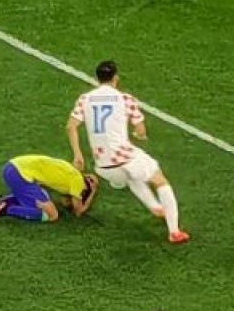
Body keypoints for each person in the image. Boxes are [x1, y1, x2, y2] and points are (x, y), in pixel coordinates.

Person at [67, 61, 189, 244]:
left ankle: (155, 207)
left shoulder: (85, 99)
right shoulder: (124, 99)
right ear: (116, 78)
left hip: (103, 164)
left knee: (132, 177)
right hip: (123, 156)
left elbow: (71, 126)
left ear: (97, 78)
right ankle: (175, 231)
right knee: (160, 180)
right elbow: (140, 130)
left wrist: (78, 154)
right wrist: (139, 134)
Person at [0, 155, 97, 222]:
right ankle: (6, 209)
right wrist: (94, 190)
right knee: (52, 215)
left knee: (42, 196)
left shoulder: (71, 172)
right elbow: (78, 211)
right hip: (19, 174)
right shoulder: (78, 183)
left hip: (12, 167)